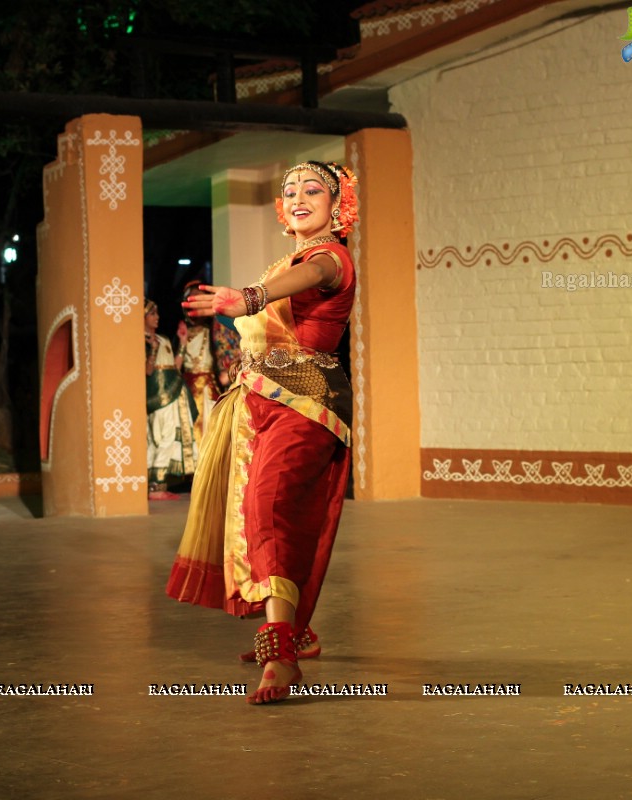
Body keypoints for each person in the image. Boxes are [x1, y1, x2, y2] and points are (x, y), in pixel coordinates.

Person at [165, 160, 359, 704]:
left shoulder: (329, 257)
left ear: (336, 204)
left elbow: (312, 278)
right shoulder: (286, 259)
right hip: (260, 401)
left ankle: (282, 657)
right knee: (258, 511)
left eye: (313, 189)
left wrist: (247, 298)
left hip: (308, 402)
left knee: (270, 503)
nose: (298, 197)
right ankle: (294, 629)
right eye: (290, 189)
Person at [144, 299, 198, 500]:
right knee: (156, 437)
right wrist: (153, 349)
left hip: (172, 391)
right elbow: (147, 371)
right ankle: (154, 485)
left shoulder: (163, 338)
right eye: (152, 314)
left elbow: (175, 367)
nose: (157, 318)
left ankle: (157, 484)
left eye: (157, 314)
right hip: (157, 395)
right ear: (143, 317)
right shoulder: (140, 339)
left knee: (167, 436)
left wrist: (182, 343)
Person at [176, 280, 219, 440]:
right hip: (187, 389)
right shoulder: (182, 334)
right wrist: (182, 341)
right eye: (193, 301)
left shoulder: (215, 331)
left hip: (208, 389)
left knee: (209, 431)